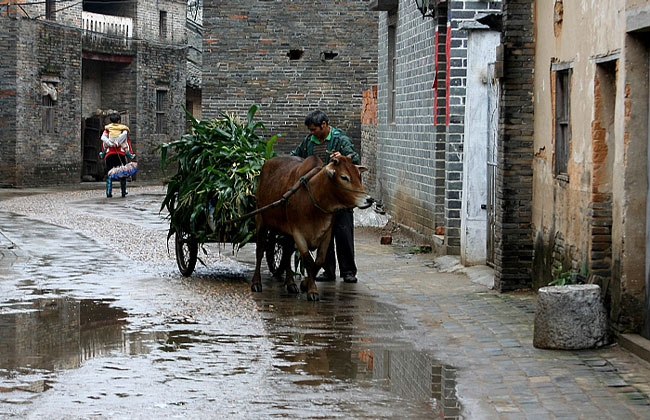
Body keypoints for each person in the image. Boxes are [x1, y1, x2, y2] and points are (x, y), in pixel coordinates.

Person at [290, 109, 360, 283]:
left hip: (339, 197)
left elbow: (355, 158)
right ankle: (328, 271)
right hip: (320, 200)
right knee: (323, 235)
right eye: (310, 130)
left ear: (324, 125)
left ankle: (348, 272)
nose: (312, 133)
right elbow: (295, 157)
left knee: (343, 233)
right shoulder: (308, 143)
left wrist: (344, 157)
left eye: (314, 129)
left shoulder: (340, 139)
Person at [100, 113, 135, 198]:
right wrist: (117, 142)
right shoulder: (123, 130)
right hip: (120, 153)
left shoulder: (107, 130)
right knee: (122, 172)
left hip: (109, 154)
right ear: (119, 121)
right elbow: (124, 136)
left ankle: (108, 191)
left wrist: (110, 144)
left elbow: (103, 138)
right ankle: (123, 191)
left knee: (109, 173)